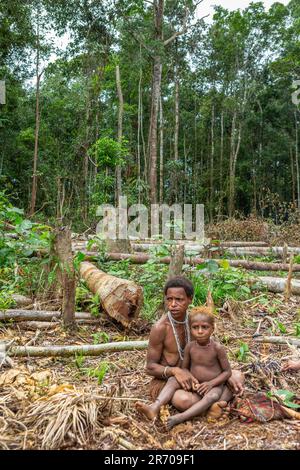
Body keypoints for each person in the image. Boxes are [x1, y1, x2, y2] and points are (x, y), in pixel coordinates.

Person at [136, 276, 244, 420]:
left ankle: (213, 406)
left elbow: (208, 353)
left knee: (237, 376)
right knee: (183, 400)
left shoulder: (195, 322)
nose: (173, 304)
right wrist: (175, 371)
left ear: (189, 299)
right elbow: (150, 367)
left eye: (179, 300)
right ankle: (215, 405)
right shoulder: (160, 328)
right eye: (169, 299)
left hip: (197, 376)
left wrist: (225, 376)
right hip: (169, 381)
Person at [138, 308, 232, 429]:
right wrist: (191, 378)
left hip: (213, 386)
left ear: (212, 329)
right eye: (195, 327)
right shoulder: (190, 347)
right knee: (173, 380)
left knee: (212, 397)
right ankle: (155, 407)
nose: (200, 331)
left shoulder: (217, 348)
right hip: (195, 383)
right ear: (191, 328)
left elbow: (227, 372)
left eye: (205, 327)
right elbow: (184, 369)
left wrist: (210, 384)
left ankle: (180, 417)